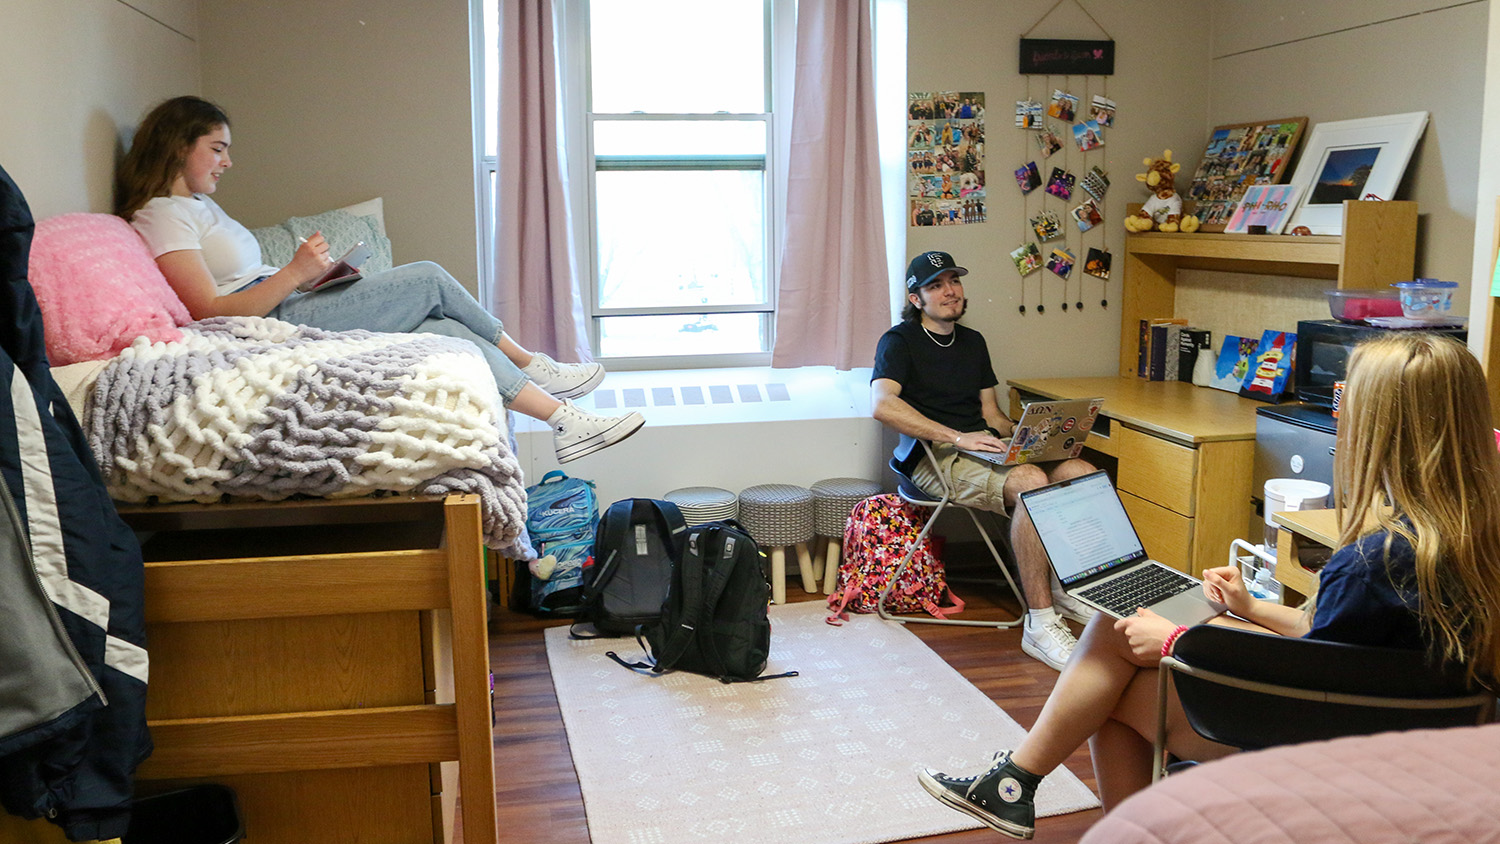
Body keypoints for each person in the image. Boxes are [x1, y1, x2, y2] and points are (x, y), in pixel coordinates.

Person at [916, 332, 1500, 839]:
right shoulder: (1466, 541)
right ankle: (1016, 783)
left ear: (1383, 424)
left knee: (1112, 685)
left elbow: (1313, 686)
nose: (1338, 413)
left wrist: (1177, 643)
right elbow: (1337, 648)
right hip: (1424, 740)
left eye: (1347, 399)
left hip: (1334, 747)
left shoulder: (1375, 560)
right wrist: (1248, 608)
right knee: (1115, 637)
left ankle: (1026, 787)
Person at [115, 96, 640, 464]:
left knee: (441, 326)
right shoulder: (162, 214)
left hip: (290, 302)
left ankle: (562, 420)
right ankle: (533, 364)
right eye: (217, 147)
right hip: (276, 322)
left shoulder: (197, 206)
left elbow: (239, 281)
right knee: (430, 279)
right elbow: (210, 309)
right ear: (178, 145)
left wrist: (307, 278)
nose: (229, 161)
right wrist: (296, 274)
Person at [871, 251, 1102, 671]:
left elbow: (991, 414)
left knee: (1079, 473)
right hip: (933, 456)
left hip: (985, 447)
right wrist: (958, 437)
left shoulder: (973, 342)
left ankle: (1066, 588)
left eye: (954, 281)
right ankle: (1041, 622)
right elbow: (883, 405)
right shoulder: (898, 341)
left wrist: (1027, 437)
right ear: (916, 297)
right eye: (936, 285)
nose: (950, 291)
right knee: (1032, 483)